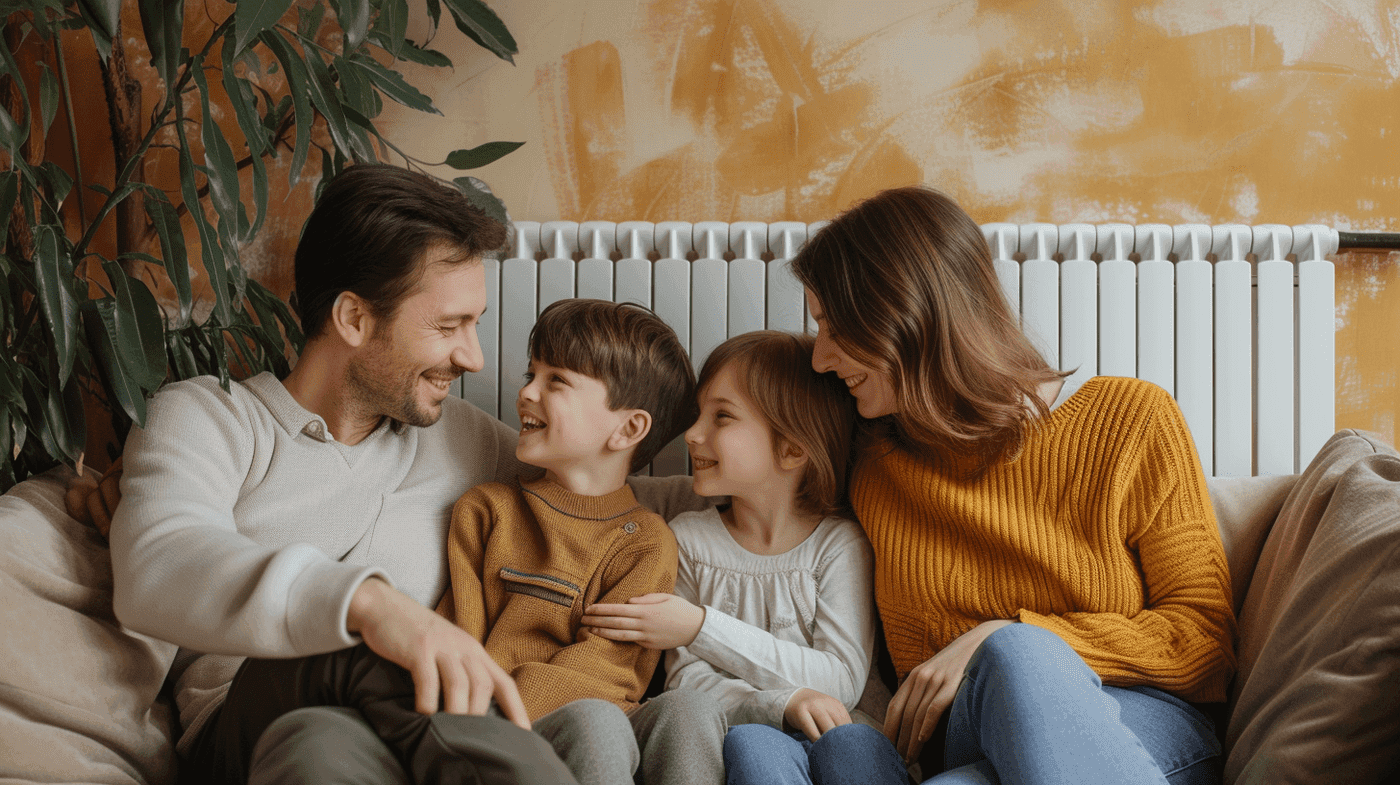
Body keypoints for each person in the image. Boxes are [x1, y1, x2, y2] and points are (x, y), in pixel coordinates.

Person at [100, 164, 702, 785]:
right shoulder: (208, 419)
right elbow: (158, 564)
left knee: (320, 746)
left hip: (385, 747)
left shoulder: (462, 439)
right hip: (241, 730)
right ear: (354, 318)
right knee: (355, 654)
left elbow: (606, 491)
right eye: (449, 327)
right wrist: (370, 605)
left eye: (474, 324)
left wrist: (789, 487)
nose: (472, 356)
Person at [788, 186, 1237, 785]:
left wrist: (1007, 635)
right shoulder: (870, 458)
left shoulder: (1133, 420)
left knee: (1017, 658)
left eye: (830, 325)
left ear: (904, 311)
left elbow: (1203, 639)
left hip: (1134, 725)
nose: (819, 358)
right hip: (970, 739)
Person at [187, 297, 716, 785]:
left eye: (557, 382)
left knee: (642, 715)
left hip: (570, 714)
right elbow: (457, 629)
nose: (526, 391)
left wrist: (502, 705)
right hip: (481, 721)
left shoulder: (645, 540)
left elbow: (607, 670)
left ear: (628, 430)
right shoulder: (488, 508)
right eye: (533, 373)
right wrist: (478, 713)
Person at [584, 331, 908, 785]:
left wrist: (700, 626)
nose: (693, 434)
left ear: (792, 448)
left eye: (722, 417)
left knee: (849, 745)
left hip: (848, 737)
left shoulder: (838, 545)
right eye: (700, 414)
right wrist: (782, 705)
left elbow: (838, 682)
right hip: (750, 735)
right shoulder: (688, 540)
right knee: (752, 746)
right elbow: (687, 684)